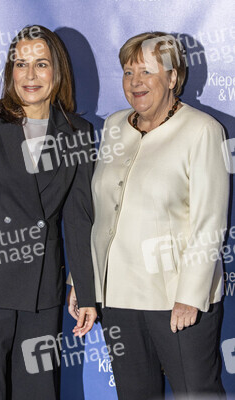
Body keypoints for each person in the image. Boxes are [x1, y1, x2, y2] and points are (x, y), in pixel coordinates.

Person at [68, 32, 229, 399]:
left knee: (196, 393)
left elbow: (210, 221)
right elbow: (100, 216)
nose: (135, 82)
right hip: (119, 298)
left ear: (173, 78)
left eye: (146, 71)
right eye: (127, 72)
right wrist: (84, 280)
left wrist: (191, 294)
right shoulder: (112, 126)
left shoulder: (203, 131)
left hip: (176, 301)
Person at [0, 25, 97, 400]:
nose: (30, 75)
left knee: (38, 392)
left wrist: (85, 291)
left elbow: (78, 217)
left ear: (57, 72)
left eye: (41, 64)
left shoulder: (78, 132)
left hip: (43, 292)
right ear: (10, 72)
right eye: (20, 64)